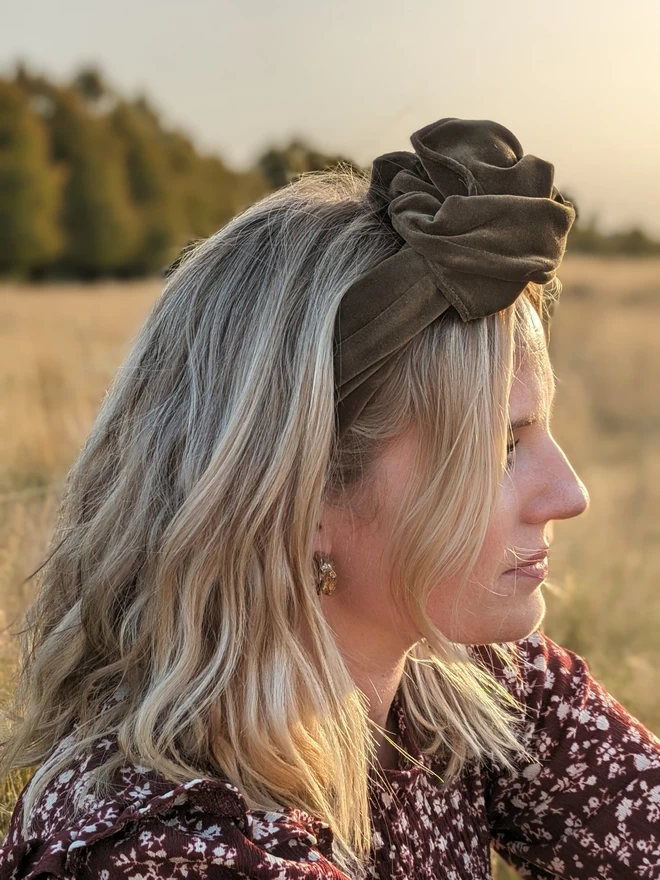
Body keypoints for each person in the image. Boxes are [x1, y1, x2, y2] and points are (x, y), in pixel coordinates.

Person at [0, 117, 658, 880]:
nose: (568, 494)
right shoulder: (172, 852)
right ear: (304, 494)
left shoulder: (461, 688)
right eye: (501, 447)